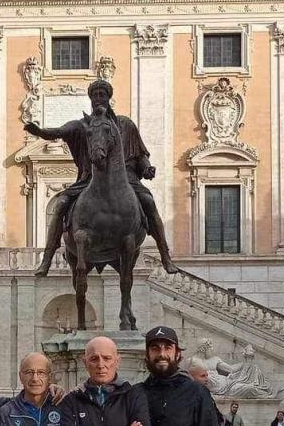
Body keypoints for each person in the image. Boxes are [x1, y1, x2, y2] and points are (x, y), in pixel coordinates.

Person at [27, 78, 176, 277]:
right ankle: (47, 258)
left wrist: (147, 168)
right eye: (95, 95)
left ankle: (165, 255)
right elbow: (59, 131)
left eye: (102, 95)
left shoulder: (125, 125)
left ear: (108, 98)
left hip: (126, 178)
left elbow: (140, 155)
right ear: (90, 99)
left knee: (148, 202)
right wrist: (40, 132)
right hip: (89, 179)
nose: (98, 98)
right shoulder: (82, 126)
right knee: (61, 203)